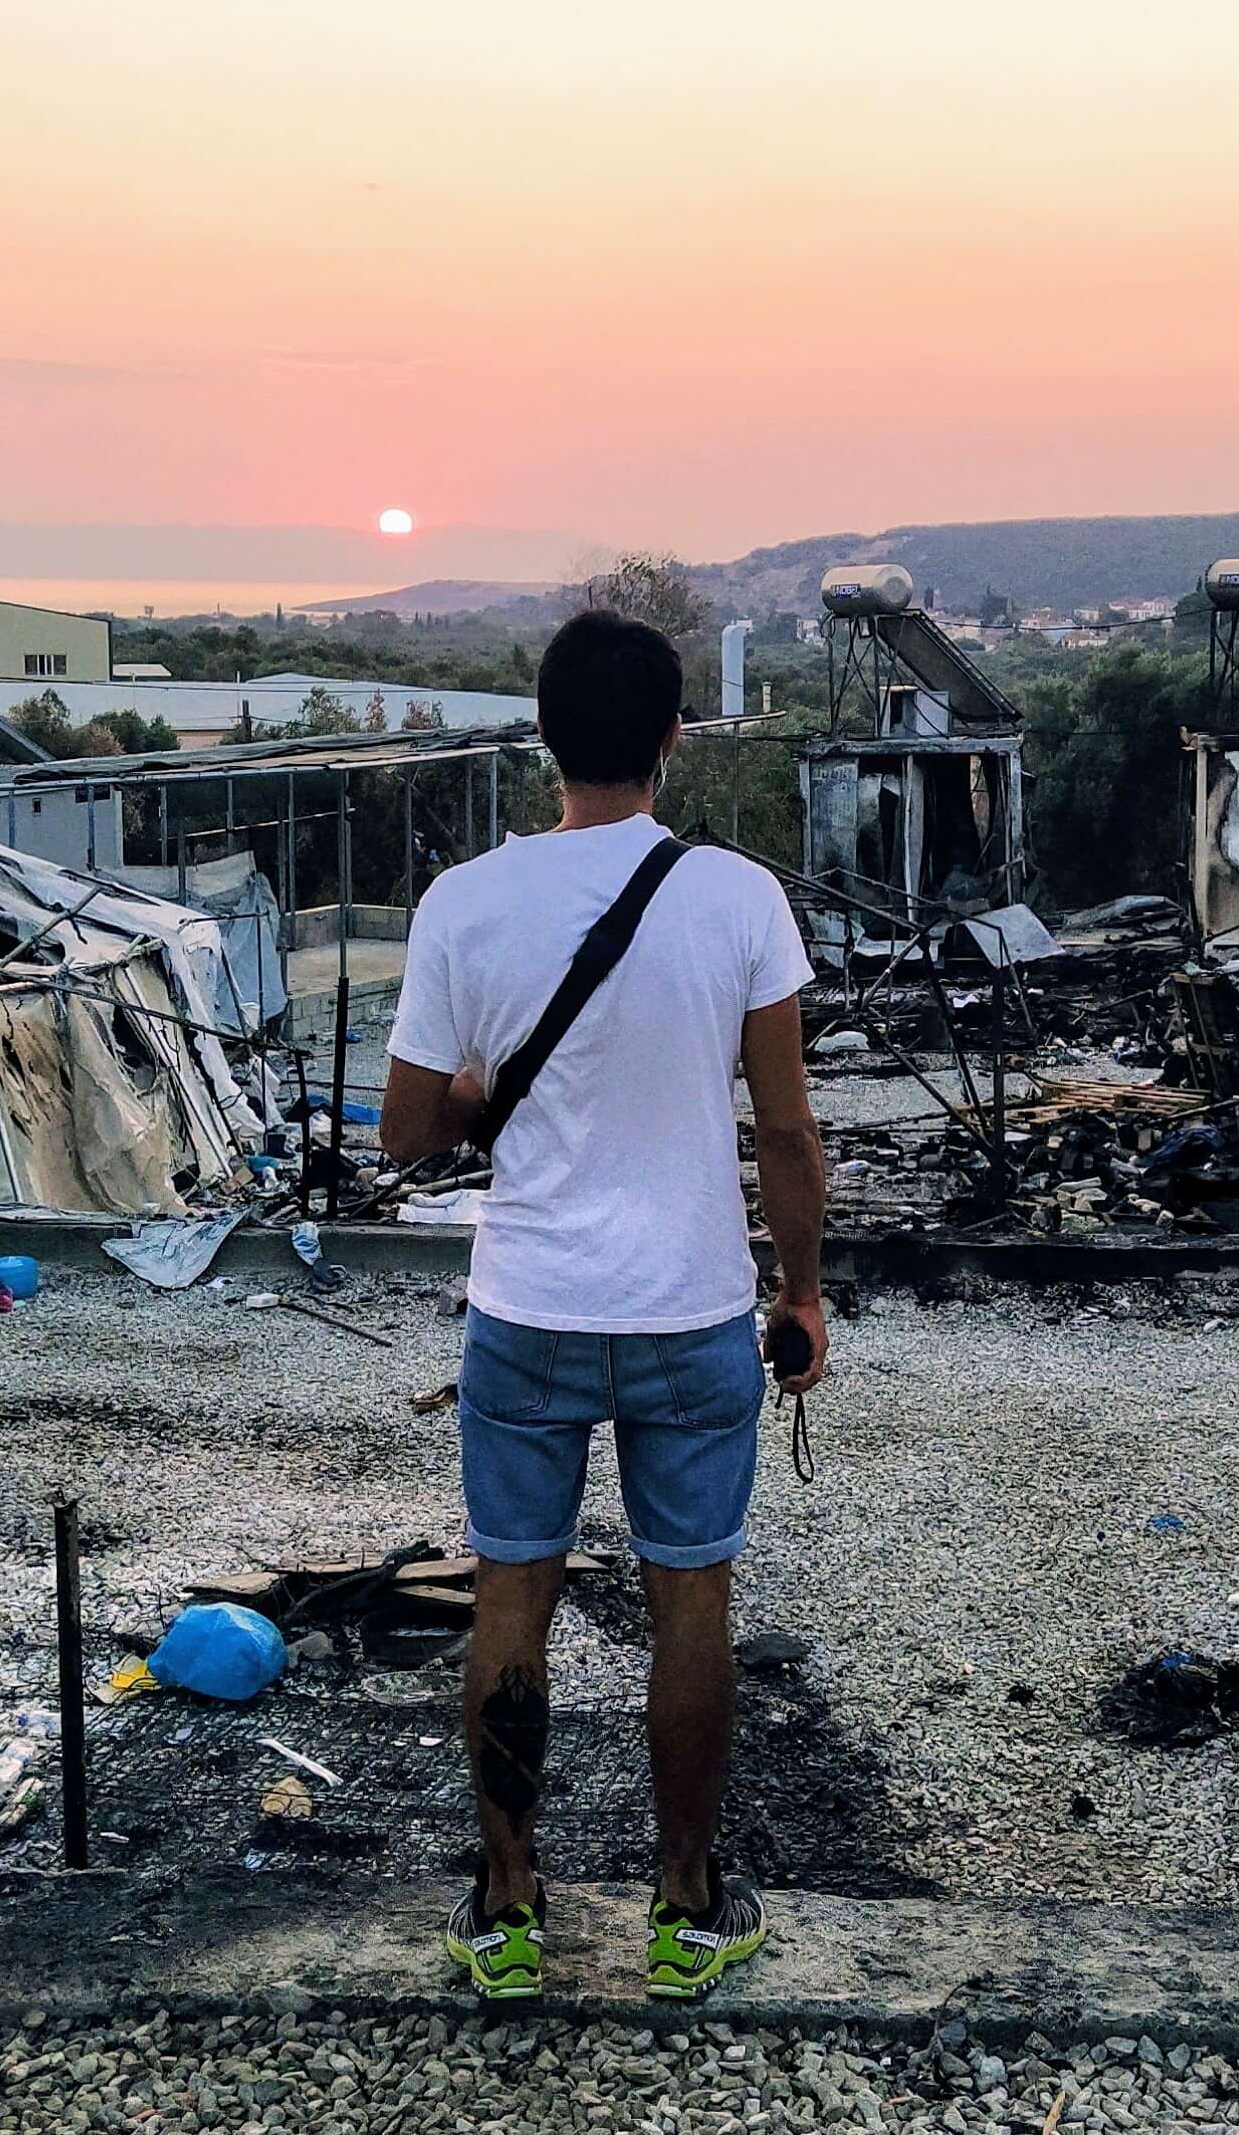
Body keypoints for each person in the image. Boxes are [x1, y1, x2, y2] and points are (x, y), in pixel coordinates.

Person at [377, 607, 828, 2004]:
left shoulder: (465, 902)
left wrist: (478, 1092)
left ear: (543, 736)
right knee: (692, 1595)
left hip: (528, 1311)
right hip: (693, 1310)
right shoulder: (740, 896)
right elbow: (791, 1134)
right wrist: (802, 1291)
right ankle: (687, 1907)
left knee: (513, 1590)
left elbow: (404, 1133)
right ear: (674, 737)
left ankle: (508, 1905)